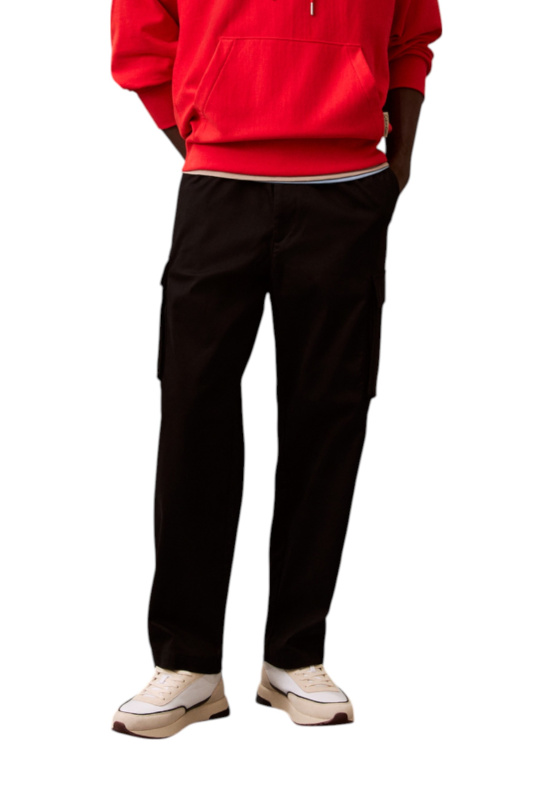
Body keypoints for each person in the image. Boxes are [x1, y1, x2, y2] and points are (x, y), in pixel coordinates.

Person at [109, 0, 442, 737]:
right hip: (219, 183)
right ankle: (189, 665)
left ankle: (294, 655)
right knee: (194, 412)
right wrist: (205, 135)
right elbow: (141, 38)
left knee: (328, 416)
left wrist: (397, 170)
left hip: (346, 187)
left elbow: (411, 37)